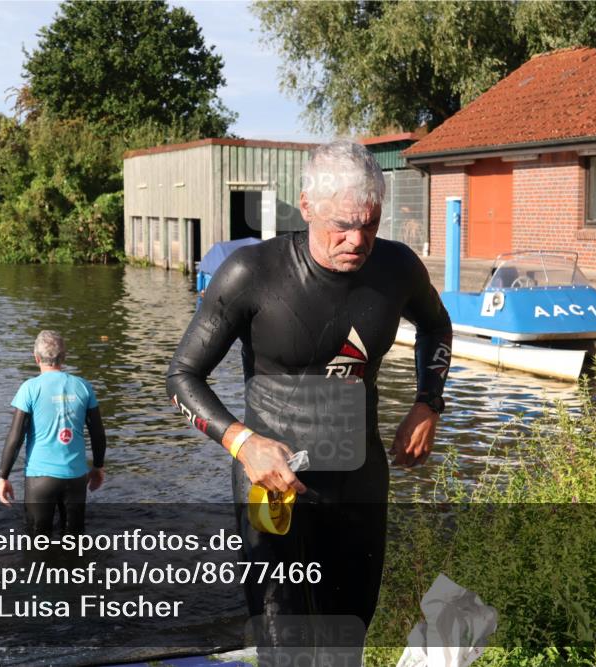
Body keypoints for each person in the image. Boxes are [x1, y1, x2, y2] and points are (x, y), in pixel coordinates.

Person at [166, 140, 452, 663]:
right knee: (284, 646)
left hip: (357, 482)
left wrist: (428, 401)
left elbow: (437, 324)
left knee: (348, 637)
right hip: (272, 487)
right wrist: (242, 442)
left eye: (370, 224)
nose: (358, 240)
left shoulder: (396, 269)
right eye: (342, 225)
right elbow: (182, 377)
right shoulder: (251, 273)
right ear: (306, 207)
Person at [0, 330, 107, 536]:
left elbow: (15, 436)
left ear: (36, 357)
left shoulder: (29, 388)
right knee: (75, 540)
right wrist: (98, 467)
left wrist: (3, 476)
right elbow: (98, 433)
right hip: (75, 477)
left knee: (37, 543)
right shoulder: (83, 387)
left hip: (40, 478)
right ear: (64, 357)